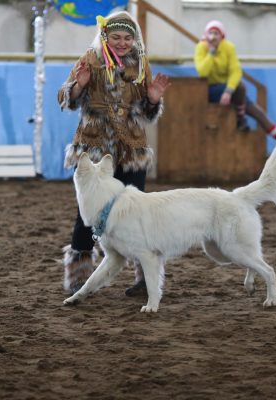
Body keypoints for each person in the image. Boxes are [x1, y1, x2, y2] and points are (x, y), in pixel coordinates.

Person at [57, 11, 170, 296]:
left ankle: (146, 279)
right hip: (94, 151)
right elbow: (64, 98)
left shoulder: (141, 62)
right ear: (105, 36)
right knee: (89, 217)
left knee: (139, 212)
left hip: (131, 149)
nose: (122, 43)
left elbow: (146, 112)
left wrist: (153, 100)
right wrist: (79, 85)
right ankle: (79, 279)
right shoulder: (91, 59)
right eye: (116, 37)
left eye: (127, 38)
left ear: (135, 39)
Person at [194, 20, 276, 155]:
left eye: (216, 33)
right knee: (240, 88)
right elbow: (202, 72)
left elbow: (236, 71)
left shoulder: (228, 47)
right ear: (206, 35)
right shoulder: (201, 47)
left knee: (258, 112)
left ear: (222, 36)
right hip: (211, 89)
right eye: (211, 33)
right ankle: (240, 118)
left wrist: (228, 91)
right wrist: (211, 52)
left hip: (229, 90)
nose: (213, 36)